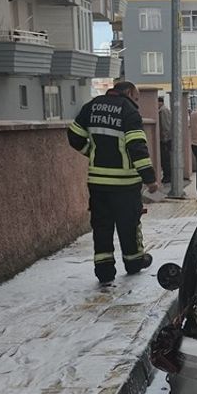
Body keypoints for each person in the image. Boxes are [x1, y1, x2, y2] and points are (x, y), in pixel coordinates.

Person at [67, 80, 159, 283]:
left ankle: (104, 271)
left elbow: (73, 136)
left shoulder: (91, 106)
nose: (136, 102)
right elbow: (137, 146)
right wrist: (150, 178)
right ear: (127, 92)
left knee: (101, 226)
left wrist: (92, 153)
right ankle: (134, 261)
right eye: (136, 97)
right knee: (129, 224)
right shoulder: (129, 111)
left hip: (98, 182)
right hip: (124, 183)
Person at [157, 96, 173, 184]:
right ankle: (167, 175)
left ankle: (167, 176)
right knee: (165, 158)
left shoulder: (163, 111)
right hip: (166, 138)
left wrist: (165, 138)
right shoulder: (164, 109)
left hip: (165, 139)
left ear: (160, 102)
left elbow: (165, 125)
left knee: (165, 158)